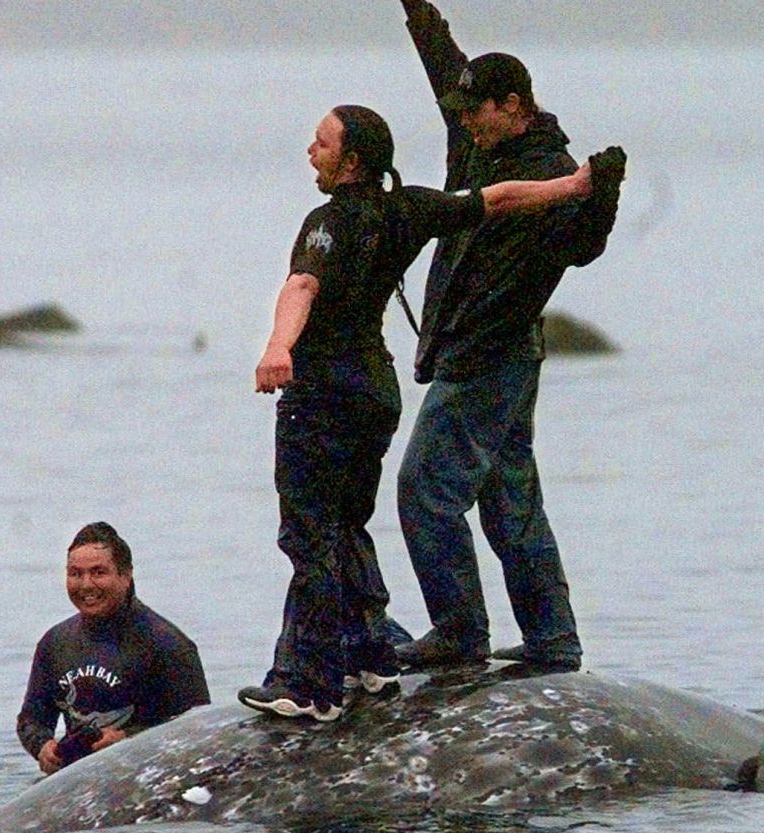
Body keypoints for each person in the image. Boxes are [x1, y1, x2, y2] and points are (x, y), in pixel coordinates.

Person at [238, 103, 623, 721]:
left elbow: (301, 286)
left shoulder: (326, 223)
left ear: (352, 160)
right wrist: (574, 186)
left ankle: (307, 682)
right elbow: (495, 199)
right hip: (375, 391)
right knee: (348, 525)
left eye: (322, 143)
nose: (310, 151)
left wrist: (278, 346)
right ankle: (371, 661)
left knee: (310, 536)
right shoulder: (407, 208)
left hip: (324, 396)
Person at [393, 0, 626, 673]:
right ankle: (554, 640)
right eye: (461, 114)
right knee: (509, 497)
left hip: (489, 356)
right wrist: (420, 17)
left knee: (424, 489)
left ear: (514, 105)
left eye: (477, 112)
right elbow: (448, 71)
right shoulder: (475, 140)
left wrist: (600, 198)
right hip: (492, 353)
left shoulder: (552, 166)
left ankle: (459, 629)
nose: (464, 124)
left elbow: (579, 248)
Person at [17, 522, 209, 774]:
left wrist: (128, 739)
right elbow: (31, 720)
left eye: (98, 572)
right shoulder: (55, 644)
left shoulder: (167, 645)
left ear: (126, 576)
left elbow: (198, 731)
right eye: (75, 574)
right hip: (80, 781)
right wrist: (42, 746)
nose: (85, 585)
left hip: (151, 778)